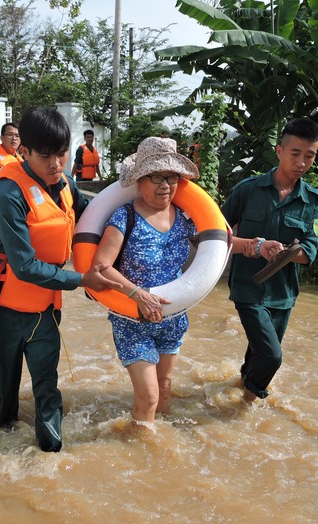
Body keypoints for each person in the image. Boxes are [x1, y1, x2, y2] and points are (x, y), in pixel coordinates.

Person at [0, 107, 121, 452]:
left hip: (44, 309)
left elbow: (91, 215)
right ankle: (1, 449)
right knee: (2, 394)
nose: (56, 164)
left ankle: (51, 454)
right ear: (24, 152)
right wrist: (83, 280)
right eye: (46, 156)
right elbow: (24, 266)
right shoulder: (6, 194)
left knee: (47, 386)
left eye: (62, 154)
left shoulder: (66, 184)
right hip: (1, 309)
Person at [91, 136, 199, 427]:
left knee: (164, 390)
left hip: (173, 318)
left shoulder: (186, 217)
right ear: (139, 181)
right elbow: (101, 267)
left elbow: (217, 242)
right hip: (132, 320)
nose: (165, 184)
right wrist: (138, 293)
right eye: (156, 177)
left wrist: (255, 245)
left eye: (171, 176)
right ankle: (137, 450)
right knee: (149, 396)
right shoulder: (123, 217)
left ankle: (158, 457)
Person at [221, 117, 318, 402]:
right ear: (279, 151)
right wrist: (255, 246)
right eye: (295, 154)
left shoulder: (313, 201)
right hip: (247, 289)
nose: (302, 162)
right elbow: (215, 235)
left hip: (283, 295)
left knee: (258, 354)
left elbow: (309, 252)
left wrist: (290, 253)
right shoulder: (247, 190)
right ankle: (246, 406)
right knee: (272, 356)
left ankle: (241, 385)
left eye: (309, 156)